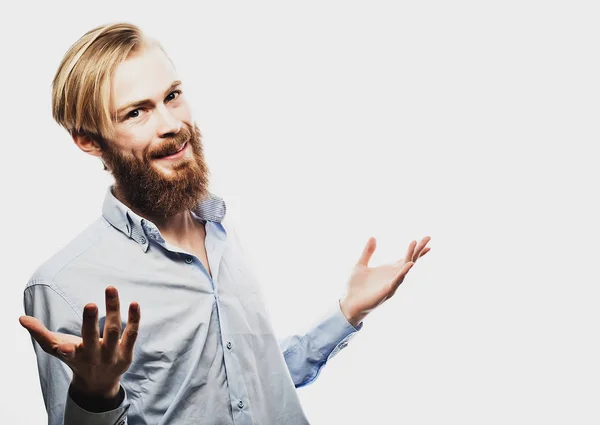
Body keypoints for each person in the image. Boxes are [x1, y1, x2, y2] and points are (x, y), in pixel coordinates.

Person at [19, 22, 431, 425]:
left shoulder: (220, 231)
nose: (171, 124)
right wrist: (95, 396)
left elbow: (258, 385)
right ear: (90, 140)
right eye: (136, 112)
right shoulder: (63, 285)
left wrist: (347, 312)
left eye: (172, 96)